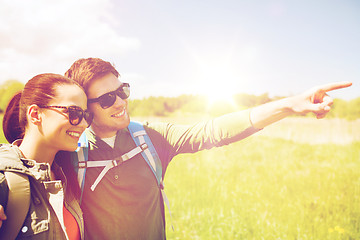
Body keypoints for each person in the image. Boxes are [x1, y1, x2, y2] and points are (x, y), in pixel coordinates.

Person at [61, 57, 352, 239]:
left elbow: (213, 130)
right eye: (108, 99)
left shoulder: (148, 137)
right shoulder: (69, 155)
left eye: (122, 91)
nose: (121, 102)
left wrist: (289, 105)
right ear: (86, 109)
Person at [0, 73, 93, 239]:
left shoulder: (66, 173)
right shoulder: (5, 181)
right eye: (74, 113)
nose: (84, 124)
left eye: (86, 115)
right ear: (35, 115)